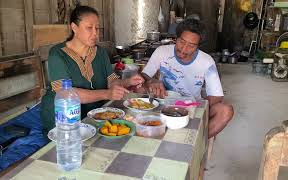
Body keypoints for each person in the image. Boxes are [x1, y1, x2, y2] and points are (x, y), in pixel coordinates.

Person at [40, 6, 144, 135]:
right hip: (64, 118)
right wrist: (107, 94)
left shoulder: (99, 52)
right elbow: (66, 94)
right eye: (89, 28)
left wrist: (126, 82)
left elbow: (111, 81)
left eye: (97, 28)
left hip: (96, 114)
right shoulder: (57, 54)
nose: (95, 33)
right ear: (74, 27)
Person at [142, 19, 233, 138]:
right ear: (176, 38)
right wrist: (151, 81)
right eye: (181, 41)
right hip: (164, 103)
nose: (184, 49)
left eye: (191, 45)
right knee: (139, 89)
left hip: (192, 107)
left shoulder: (207, 62)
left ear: (198, 46)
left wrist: (192, 106)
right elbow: (144, 76)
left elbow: (217, 96)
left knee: (226, 111)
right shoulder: (162, 52)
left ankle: (197, 142)